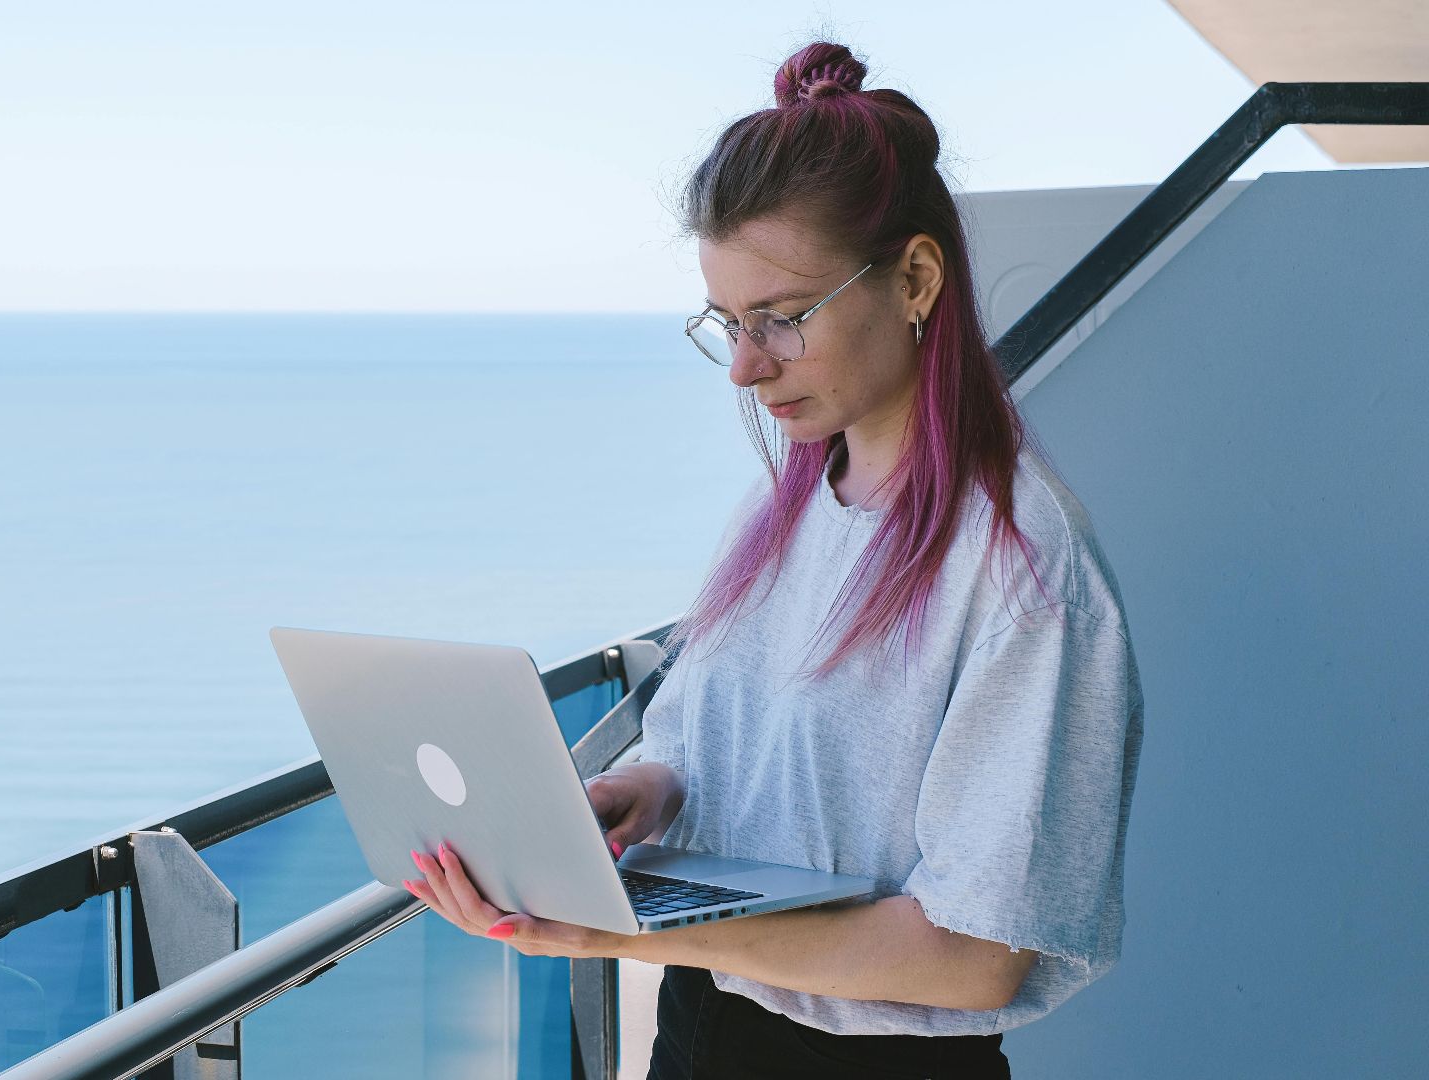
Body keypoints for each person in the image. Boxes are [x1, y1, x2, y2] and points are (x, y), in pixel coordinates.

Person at [402, 38, 1144, 1080]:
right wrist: (651, 791)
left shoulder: (1019, 566)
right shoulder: (791, 508)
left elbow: (976, 959)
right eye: (729, 324)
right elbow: (738, 755)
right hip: (707, 1033)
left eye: (783, 319)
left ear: (917, 278)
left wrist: (619, 936)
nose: (747, 369)